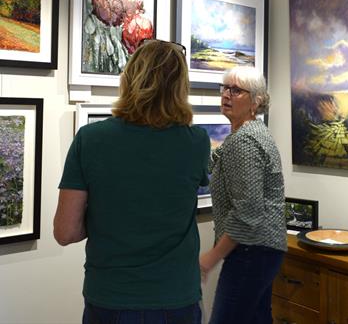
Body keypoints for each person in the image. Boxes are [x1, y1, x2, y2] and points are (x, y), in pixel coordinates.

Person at [54, 39, 210, 324]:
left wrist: (110, 217)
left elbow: (65, 232)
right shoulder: (196, 142)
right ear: (180, 87)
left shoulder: (91, 139)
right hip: (176, 298)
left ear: (129, 78)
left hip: (110, 297)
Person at [199, 67, 287, 324]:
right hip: (264, 250)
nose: (226, 94)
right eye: (224, 88)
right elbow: (213, 163)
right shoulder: (247, 135)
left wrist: (210, 258)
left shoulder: (244, 141)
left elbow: (247, 212)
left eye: (236, 90)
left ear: (255, 101)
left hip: (252, 249)